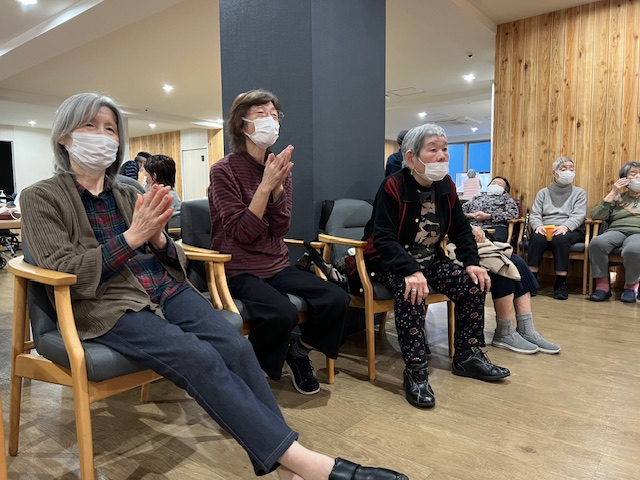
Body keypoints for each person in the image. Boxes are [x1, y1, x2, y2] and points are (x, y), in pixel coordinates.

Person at [19, 92, 408, 480]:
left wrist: (159, 240)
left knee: (237, 346)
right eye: (90, 126)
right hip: (110, 303)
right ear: (64, 136)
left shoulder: (129, 192)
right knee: (197, 355)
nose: (103, 136)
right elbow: (65, 270)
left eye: (110, 129)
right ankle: (311, 467)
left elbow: (175, 257)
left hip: (167, 289)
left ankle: (288, 466)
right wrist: (133, 238)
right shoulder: (40, 197)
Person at [208, 89, 350, 396]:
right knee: (282, 312)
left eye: (274, 115)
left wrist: (277, 189)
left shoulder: (279, 168)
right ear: (241, 124)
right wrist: (265, 187)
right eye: (261, 114)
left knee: (336, 297)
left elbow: (281, 226)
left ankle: (299, 350)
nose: (270, 120)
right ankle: (255, 370)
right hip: (238, 270)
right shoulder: (223, 171)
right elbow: (243, 232)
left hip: (276, 264)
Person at [360, 123, 510, 409]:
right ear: (411, 158)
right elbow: (383, 238)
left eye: (444, 149)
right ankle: (416, 371)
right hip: (392, 263)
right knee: (412, 292)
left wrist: (472, 263)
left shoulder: (446, 185)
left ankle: (467, 356)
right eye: (433, 150)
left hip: (430, 261)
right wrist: (410, 270)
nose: (442, 156)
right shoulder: (392, 186)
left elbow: (461, 229)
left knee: (473, 283)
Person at [467, 226, 561, 354]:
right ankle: (504, 332)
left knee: (518, 262)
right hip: (456, 246)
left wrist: (473, 228)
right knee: (503, 266)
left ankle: (526, 330)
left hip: (474, 241)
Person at [526, 156, 586, 300]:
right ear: (554, 173)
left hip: (570, 228)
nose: (568, 172)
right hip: (545, 227)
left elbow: (579, 214)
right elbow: (535, 214)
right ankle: (531, 281)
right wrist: (538, 226)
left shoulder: (579, 193)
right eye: (563, 169)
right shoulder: (543, 192)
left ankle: (561, 283)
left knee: (560, 239)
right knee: (537, 238)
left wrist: (565, 226)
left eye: (571, 169)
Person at [589, 161, 640, 303]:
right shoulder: (618, 198)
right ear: (625, 178)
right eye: (633, 173)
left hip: (637, 232)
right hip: (616, 230)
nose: (638, 176)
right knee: (597, 243)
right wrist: (613, 192)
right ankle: (602, 286)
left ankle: (631, 287)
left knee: (633, 249)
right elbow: (596, 215)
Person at [462, 176, 519, 242]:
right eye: (493, 183)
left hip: (495, 226)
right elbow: (460, 211)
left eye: (500, 184)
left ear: (505, 190)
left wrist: (489, 216)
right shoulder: (477, 197)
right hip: (473, 226)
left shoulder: (507, 199)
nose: (495, 185)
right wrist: (471, 215)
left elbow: (513, 214)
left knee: (493, 240)